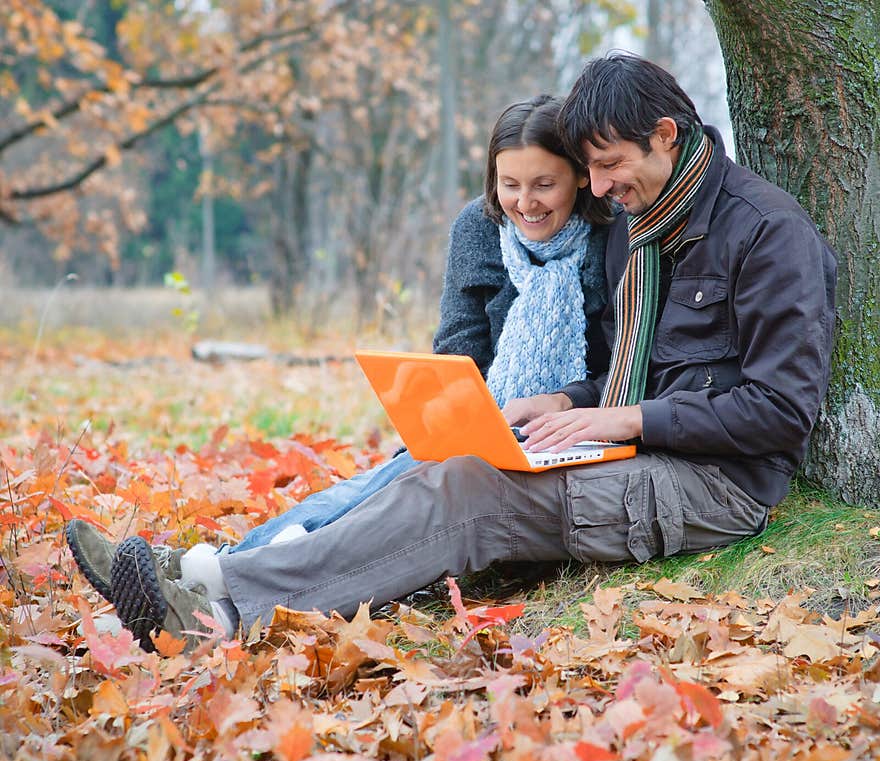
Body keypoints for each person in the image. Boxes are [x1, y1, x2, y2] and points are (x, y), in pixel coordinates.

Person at [70, 52, 838, 653]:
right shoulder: (640, 228)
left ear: (666, 135)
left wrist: (622, 418)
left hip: (718, 484)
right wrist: (570, 402)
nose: (599, 188)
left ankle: (222, 603)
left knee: (470, 492)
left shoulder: (767, 234)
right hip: (634, 448)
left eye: (609, 166)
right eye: (593, 169)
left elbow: (780, 412)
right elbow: (619, 369)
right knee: (446, 460)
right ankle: (213, 579)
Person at [65, 94, 611, 643]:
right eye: (509, 184)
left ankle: (198, 576)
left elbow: (620, 366)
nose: (525, 202)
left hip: (560, 435)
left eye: (544, 185)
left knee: (392, 484)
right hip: (482, 418)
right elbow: (458, 348)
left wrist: (561, 401)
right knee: (373, 485)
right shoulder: (479, 226)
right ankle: (189, 580)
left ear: (581, 179)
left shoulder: (610, 241)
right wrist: (451, 409)